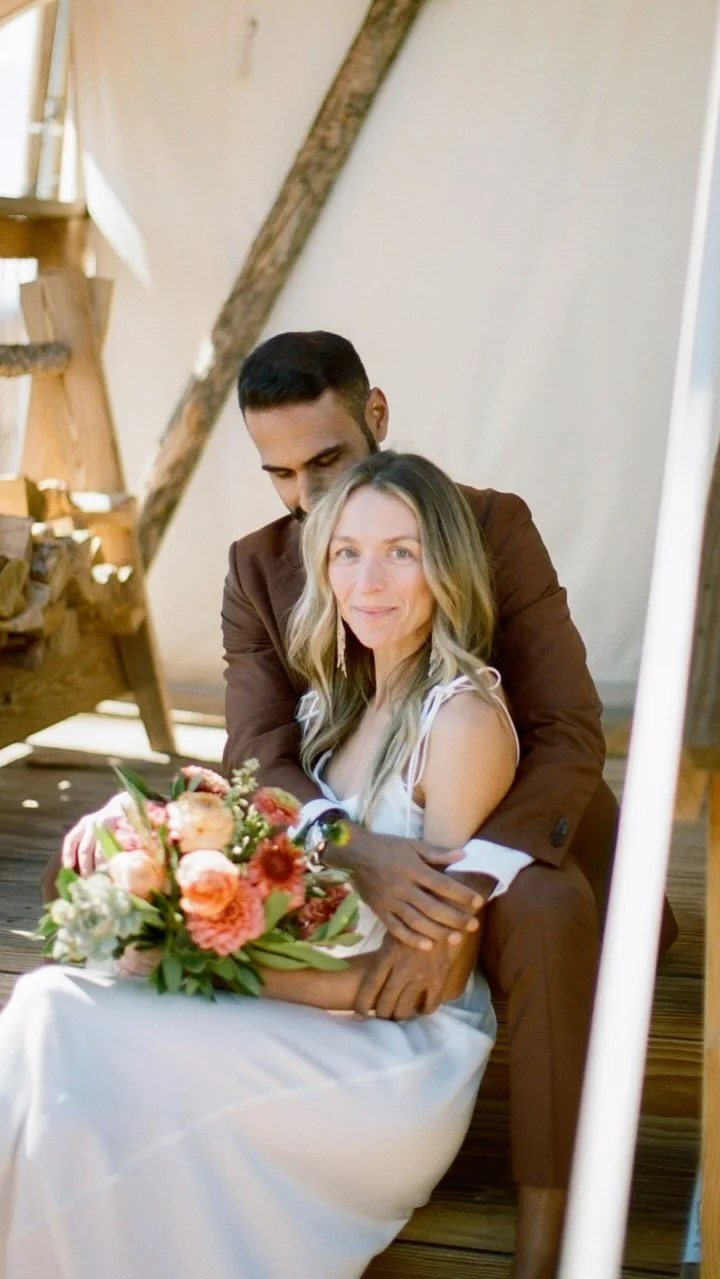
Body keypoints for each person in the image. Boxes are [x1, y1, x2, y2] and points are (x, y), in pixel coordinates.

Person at [56, 331, 678, 1279]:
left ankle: (551, 1234)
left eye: (327, 461)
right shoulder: (257, 567)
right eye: (280, 474)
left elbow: (567, 728)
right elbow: (259, 749)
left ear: (375, 415)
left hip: (508, 813)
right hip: (362, 827)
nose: (308, 496)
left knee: (552, 910)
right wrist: (349, 845)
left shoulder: (491, 525)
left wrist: (464, 887)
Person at [0, 451, 517, 1279]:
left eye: (401, 551)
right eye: (347, 552)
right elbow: (268, 849)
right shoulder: (332, 705)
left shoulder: (459, 722)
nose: (368, 580)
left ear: (446, 566)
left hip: (391, 1055)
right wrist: (148, 851)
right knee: (47, 1007)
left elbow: (425, 979)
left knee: (65, 1015)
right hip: (314, 1000)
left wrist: (210, 968)